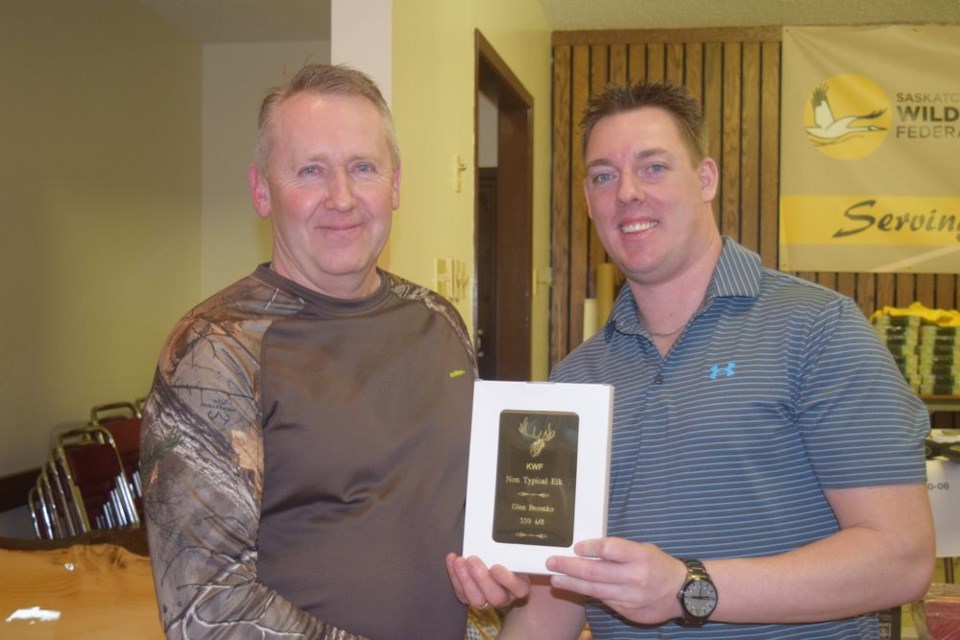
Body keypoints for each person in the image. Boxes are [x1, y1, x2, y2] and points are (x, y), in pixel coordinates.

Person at [446, 81, 935, 639]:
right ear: (588, 201)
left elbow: (902, 559)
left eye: (653, 167)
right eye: (604, 175)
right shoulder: (576, 378)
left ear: (706, 178)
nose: (627, 192)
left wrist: (688, 587)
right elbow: (557, 602)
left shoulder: (818, 330)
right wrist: (510, 587)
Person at [141, 63, 477, 640]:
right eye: (310, 171)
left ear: (395, 184)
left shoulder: (440, 321)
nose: (341, 198)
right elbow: (208, 610)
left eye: (363, 168)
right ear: (261, 190)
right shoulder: (216, 351)